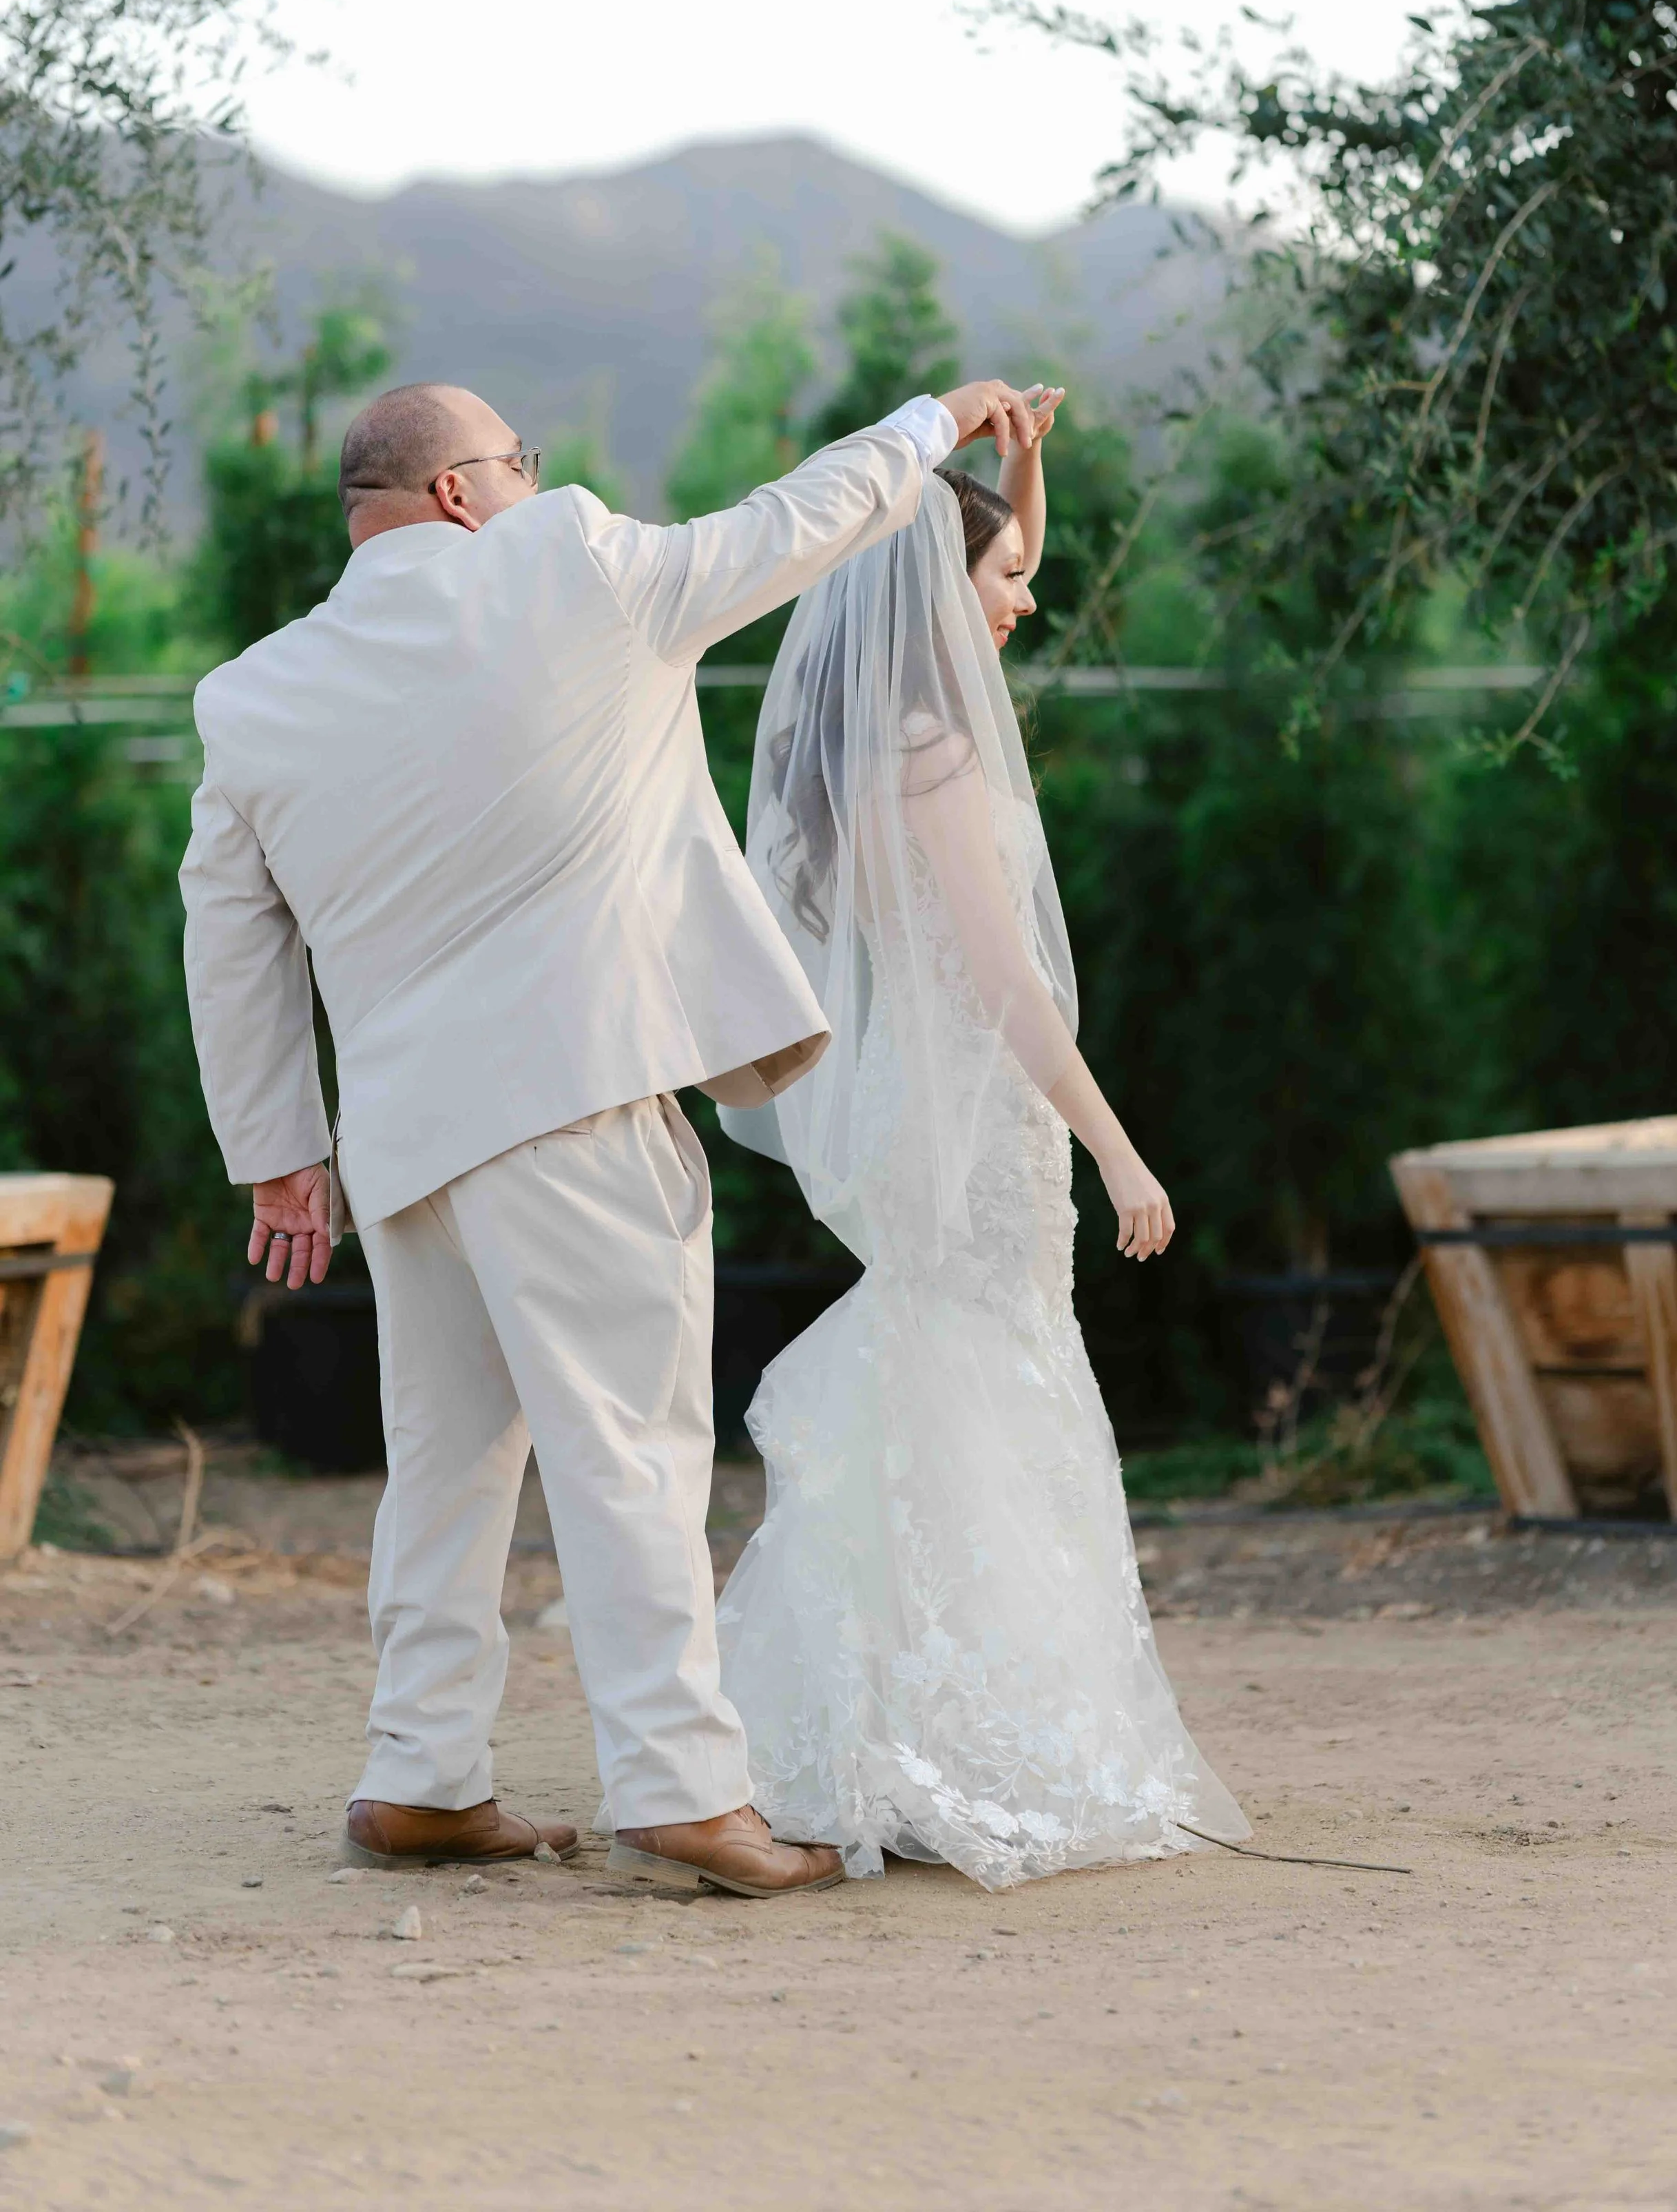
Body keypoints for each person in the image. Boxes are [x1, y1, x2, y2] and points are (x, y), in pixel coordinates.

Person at [179, 370, 1043, 1896]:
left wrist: (279, 1150)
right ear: (462, 491)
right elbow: (794, 523)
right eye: (517, 459)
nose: (535, 477)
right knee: (633, 1445)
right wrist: (930, 425)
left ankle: (422, 1775)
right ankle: (683, 1790)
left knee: (444, 1465)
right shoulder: (564, 558)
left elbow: (228, 933)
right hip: (576, 1096)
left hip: (401, 1141)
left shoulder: (255, 692)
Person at [714, 388, 1249, 1889]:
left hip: (927, 1106)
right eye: (1005, 582)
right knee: (988, 1385)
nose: (1026, 594)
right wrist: (1118, 1150)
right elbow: (1009, 985)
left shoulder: (886, 726)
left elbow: (982, 551)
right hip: (974, 1114)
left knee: (955, 1381)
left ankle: (889, 1715)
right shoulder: (934, 747)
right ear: (933, 601)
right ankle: (958, 1737)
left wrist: (1018, 473)